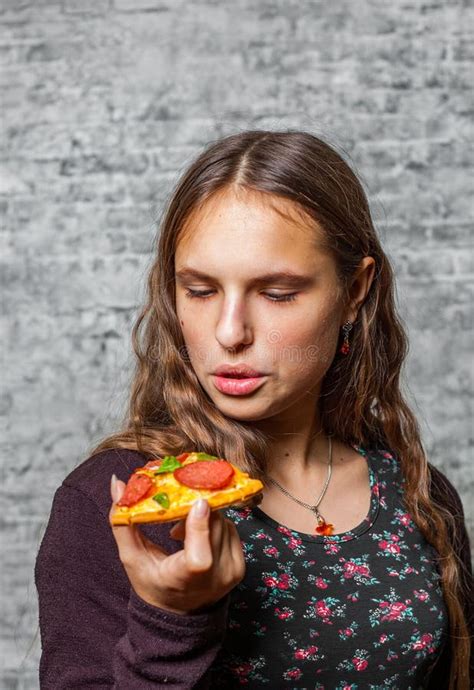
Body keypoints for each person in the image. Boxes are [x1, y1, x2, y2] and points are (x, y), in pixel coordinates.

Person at [35, 130, 472, 689]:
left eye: (277, 293)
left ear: (355, 291)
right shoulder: (118, 504)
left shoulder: (419, 495)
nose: (230, 332)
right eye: (200, 290)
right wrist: (169, 618)